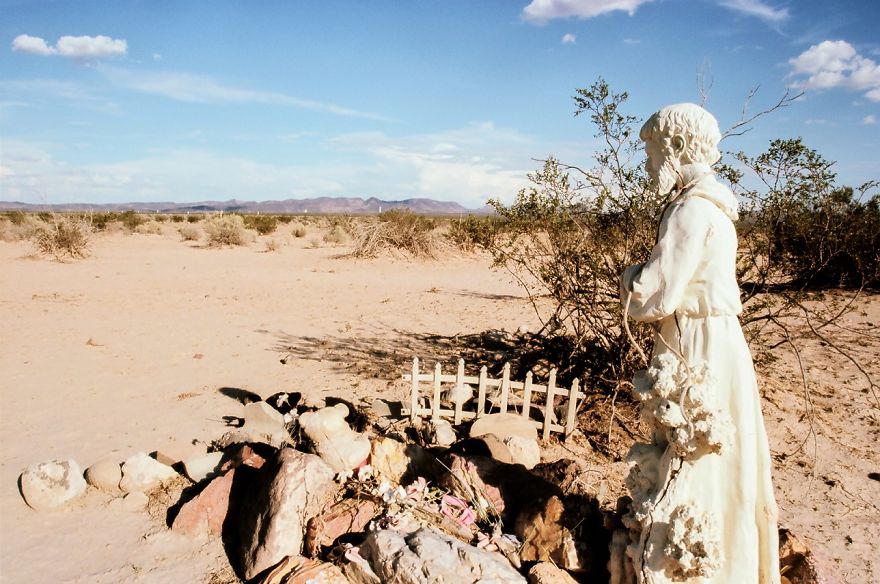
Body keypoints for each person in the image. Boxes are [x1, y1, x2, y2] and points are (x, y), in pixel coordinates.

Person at [614, 103, 780, 583]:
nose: (648, 163)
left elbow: (654, 295)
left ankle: (683, 567)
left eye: (652, 151)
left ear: (678, 146)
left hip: (695, 344)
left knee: (694, 450)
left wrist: (628, 277)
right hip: (720, 340)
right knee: (723, 457)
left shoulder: (689, 211)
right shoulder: (713, 207)